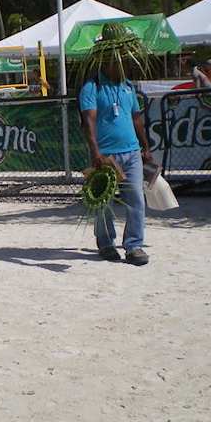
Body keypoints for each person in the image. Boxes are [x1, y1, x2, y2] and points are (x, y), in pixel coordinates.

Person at [79, 27, 154, 266]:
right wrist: (96, 153)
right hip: (106, 156)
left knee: (137, 200)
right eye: (118, 61)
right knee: (103, 203)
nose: (123, 65)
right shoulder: (92, 87)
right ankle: (106, 244)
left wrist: (145, 146)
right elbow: (88, 121)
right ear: (108, 60)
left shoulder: (128, 86)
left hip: (131, 153)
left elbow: (136, 118)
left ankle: (134, 246)